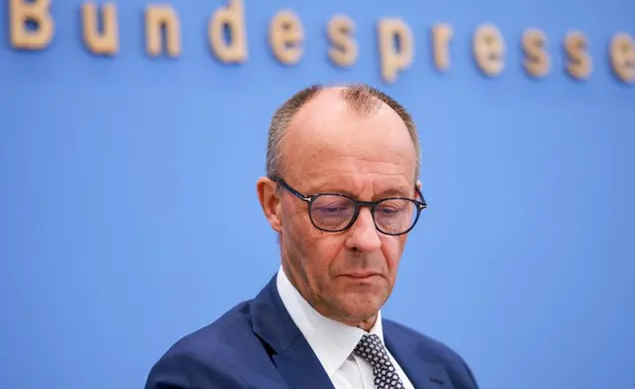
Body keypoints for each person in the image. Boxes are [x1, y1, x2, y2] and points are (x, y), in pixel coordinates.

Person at [144, 84, 479, 389]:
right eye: (333, 208)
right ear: (273, 205)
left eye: (390, 209)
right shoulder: (201, 376)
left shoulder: (446, 371)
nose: (368, 241)